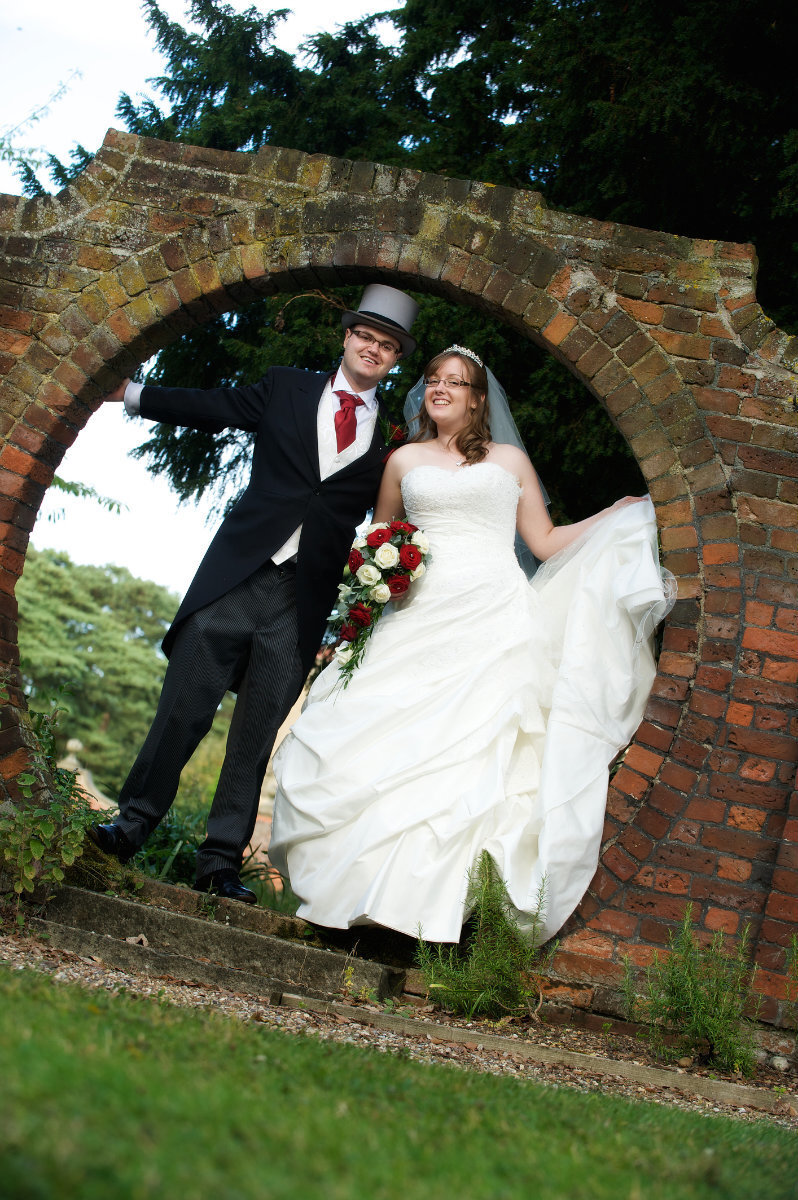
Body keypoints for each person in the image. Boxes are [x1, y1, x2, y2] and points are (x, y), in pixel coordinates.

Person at [268, 346, 674, 943]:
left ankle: (424, 913)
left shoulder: (509, 460)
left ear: (477, 399)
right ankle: (357, 900)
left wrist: (613, 513)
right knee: (388, 746)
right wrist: (381, 575)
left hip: (493, 617)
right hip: (416, 618)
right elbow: (380, 538)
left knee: (469, 758)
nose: (441, 389)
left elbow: (543, 540)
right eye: (434, 380)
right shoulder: (402, 460)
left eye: (456, 383)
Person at [89, 284, 420, 903]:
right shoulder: (285, 387)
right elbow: (213, 405)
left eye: (387, 344)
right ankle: (130, 825)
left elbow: (387, 519)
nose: (373, 349)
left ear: (396, 360)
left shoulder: (394, 441)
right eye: (366, 336)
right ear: (346, 338)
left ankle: (218, 864)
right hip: (237, 576)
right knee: (182, 710)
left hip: (302, 602)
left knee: (255, 734)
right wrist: (132, 395)